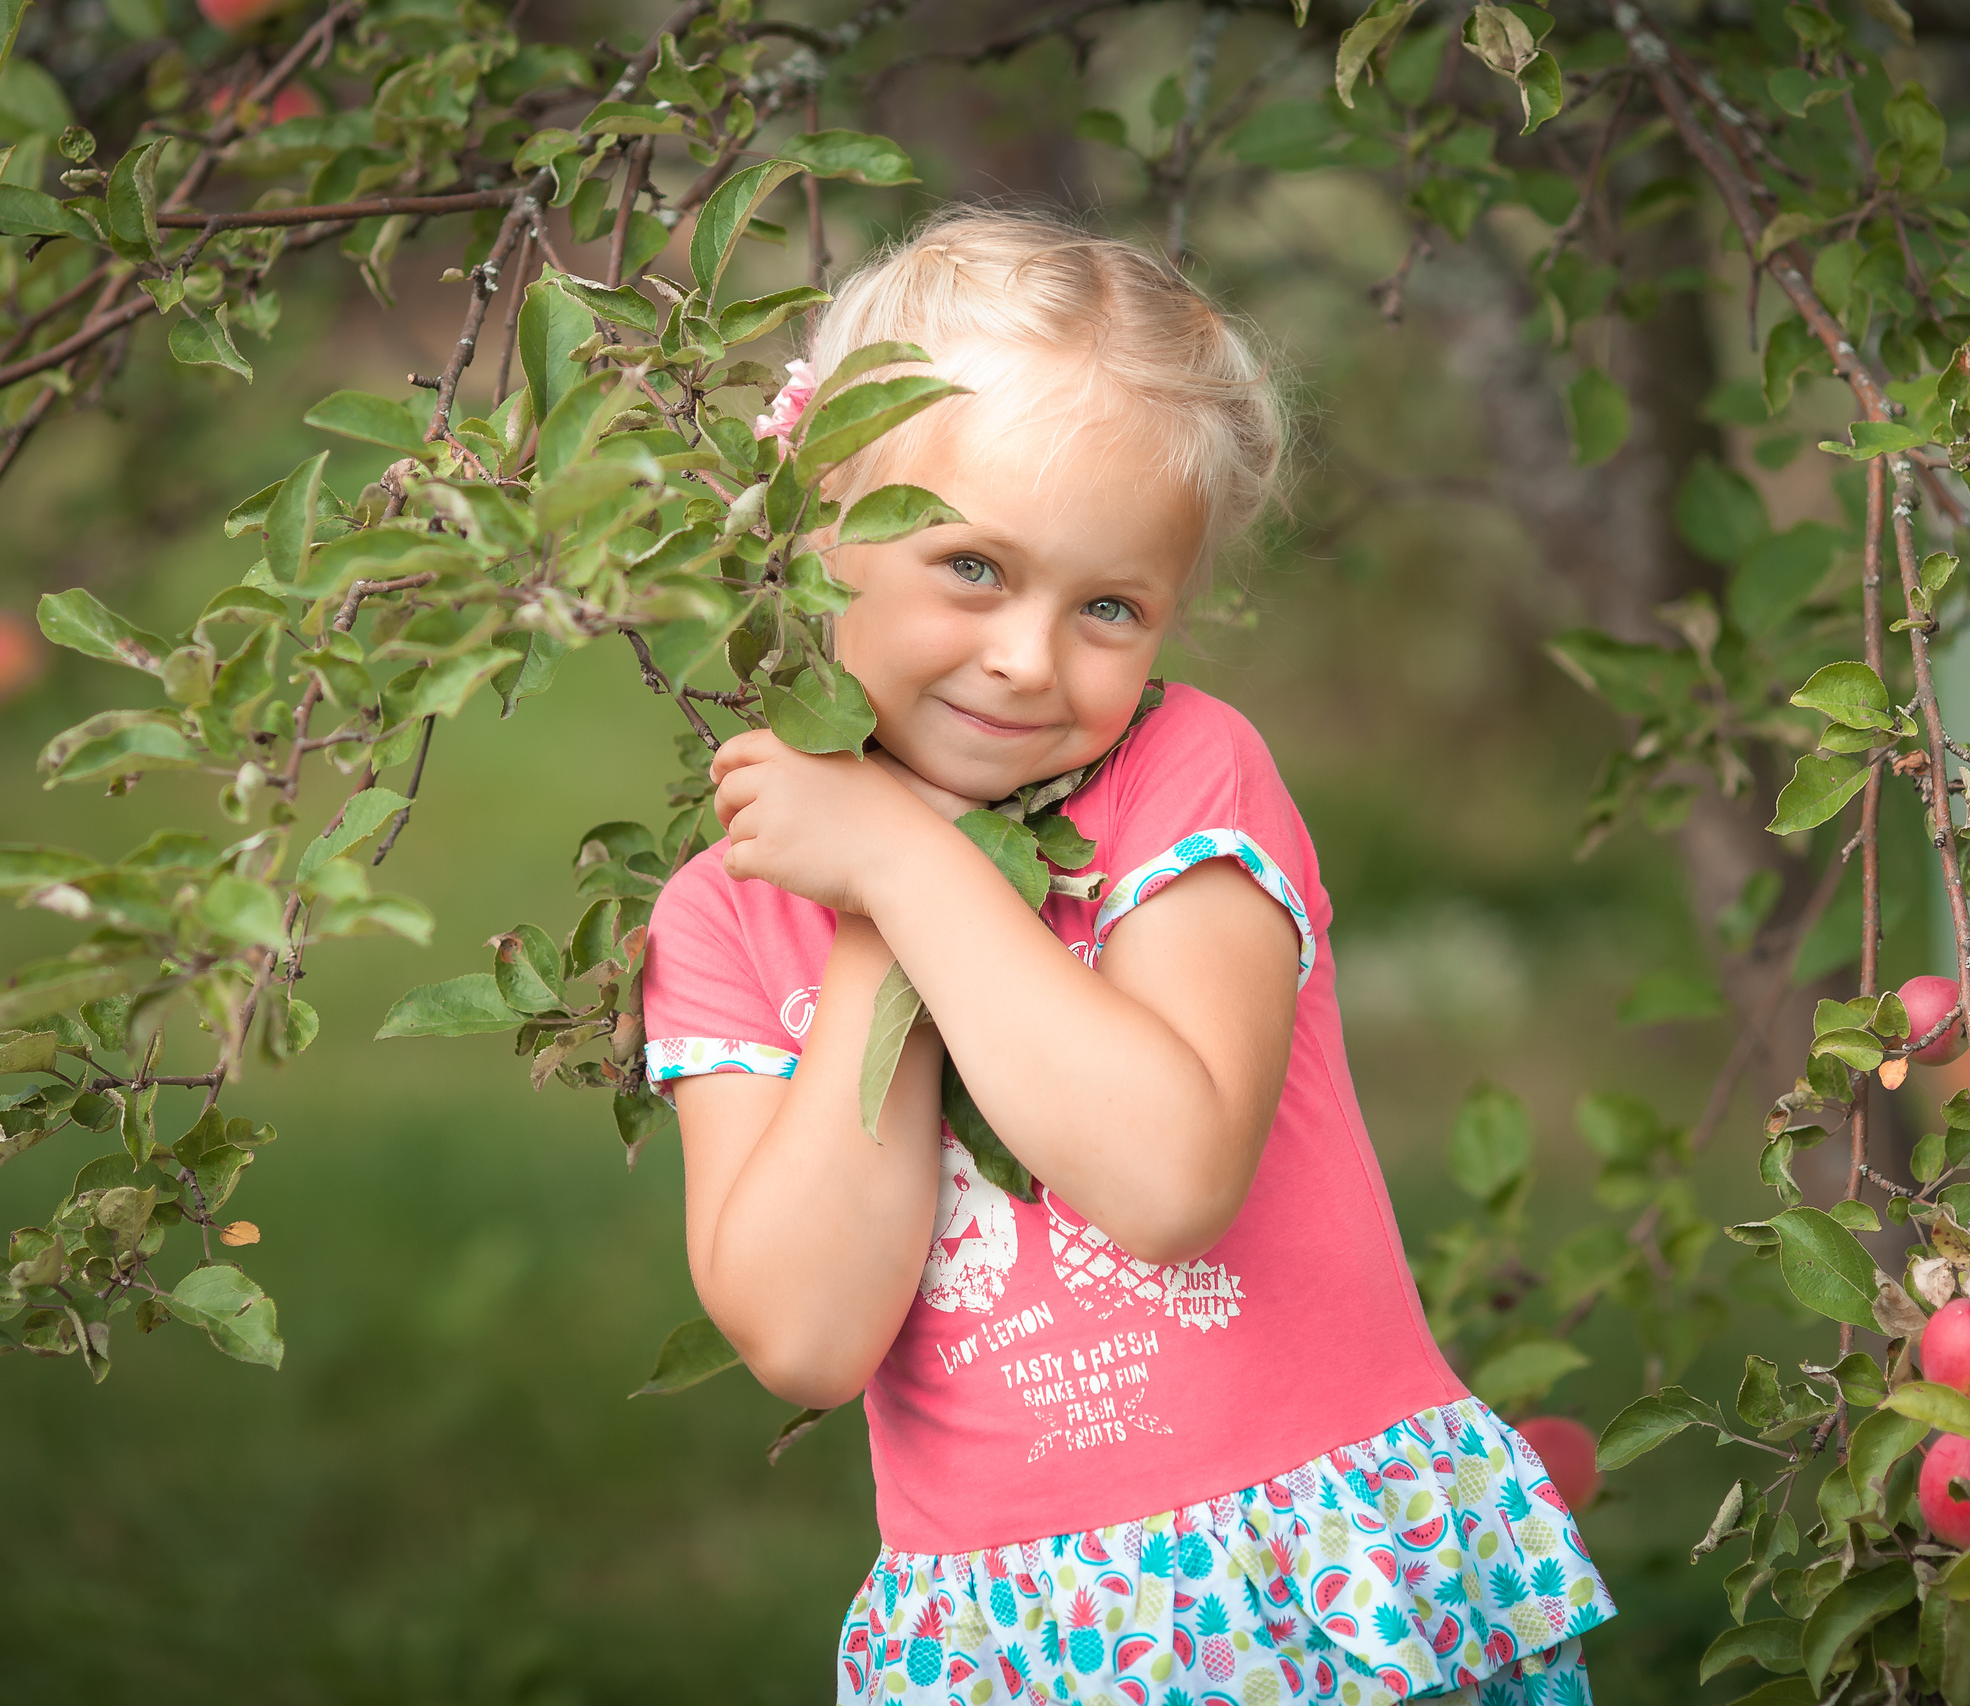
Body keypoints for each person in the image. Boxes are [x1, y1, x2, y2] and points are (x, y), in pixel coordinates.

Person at [641, 209, 1615, 1706]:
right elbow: (809, 1335)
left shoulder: (1181, 781)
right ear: (814, 526)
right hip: (1022, 1644)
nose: (1029, 659)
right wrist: (870, 914)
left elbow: (1169, 1180)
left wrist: (909, 862)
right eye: (973, 567)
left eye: (1108, 607)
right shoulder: (730, 912)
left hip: (1319, 1592)